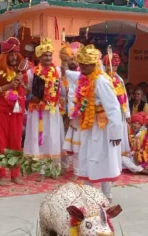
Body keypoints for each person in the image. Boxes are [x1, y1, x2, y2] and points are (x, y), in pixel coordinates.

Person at [70, 44, 123, 202]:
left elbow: (113, 109)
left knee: (103, 158)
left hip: (103, 127)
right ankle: (88, 193)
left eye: (85, 64)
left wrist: (115, 133)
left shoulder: (101, 81)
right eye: (81, 64)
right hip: (89, 125)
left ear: (94, 65)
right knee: (87, 156)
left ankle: (107, 195)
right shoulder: (84, 78)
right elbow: (71, 76)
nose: (82, 67)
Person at [0, 37, 27, 186]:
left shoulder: (21, 71)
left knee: (16, 143)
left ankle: (15, 174)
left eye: (16, 54)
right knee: (0, 144)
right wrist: (7, 87)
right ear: (4, 56)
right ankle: (2, 175)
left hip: (17, 112)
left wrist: (21, 82)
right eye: (11, 54)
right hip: (0, 112)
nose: (14, 57)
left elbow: (27, 90)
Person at [24, 38, 66, 181]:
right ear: (39, 57)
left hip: (53, 110)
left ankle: (54, 169)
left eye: (49, 55)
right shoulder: (32, 73)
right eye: (45, 55)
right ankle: (41, 171)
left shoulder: (58, 71)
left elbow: (63, 91)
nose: (48, 58)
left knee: (53, 138)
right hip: (38, 111)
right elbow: (27, 91)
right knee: (40, 139)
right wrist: (32, 96)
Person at [61, 42, 83, 180]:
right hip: (69, 116)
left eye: (75, 59)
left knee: (79, 146)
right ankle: (70, 169)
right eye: (70, 59)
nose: (73, 62)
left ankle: (78, 172)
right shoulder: (64, 76)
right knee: (71, 145)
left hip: (82, 116)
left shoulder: (82, 76)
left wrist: (64, 68)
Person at [102, 52, 131, 158]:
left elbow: (124, 97)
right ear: (105, 66)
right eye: (112, 65)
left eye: (115, 65)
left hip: (119, 112)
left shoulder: (119, 79)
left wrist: (127, 114)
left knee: (119, 134)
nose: (114, 68)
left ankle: (119, 159)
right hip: (105, 113)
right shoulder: (102, 79)